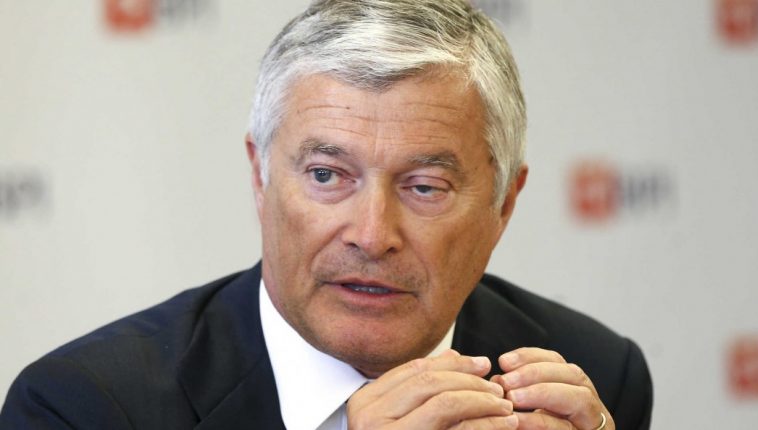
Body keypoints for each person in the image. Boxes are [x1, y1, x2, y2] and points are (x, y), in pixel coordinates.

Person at [0, 1, 652, 429]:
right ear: (261, 177)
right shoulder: (86, 407)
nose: (371, 235)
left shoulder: (591, 374)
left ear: (504, 203)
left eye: (425, 187)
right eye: (326, 176)